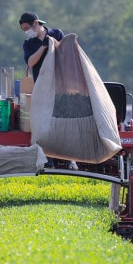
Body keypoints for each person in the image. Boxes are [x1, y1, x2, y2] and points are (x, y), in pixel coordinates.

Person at [19, 11, 78, 170]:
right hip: (42, 88)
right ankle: (48, 159)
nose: (26, 31)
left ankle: (69, 159)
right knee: (46, 124)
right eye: (23, 29)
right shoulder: (28, 44)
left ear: (36, 23)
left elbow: (67, 53)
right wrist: (44, 46)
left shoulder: (56, 33)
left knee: (64, 123)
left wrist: (52, 43)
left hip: (61, 87)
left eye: (27, 27)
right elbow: (31, 62)